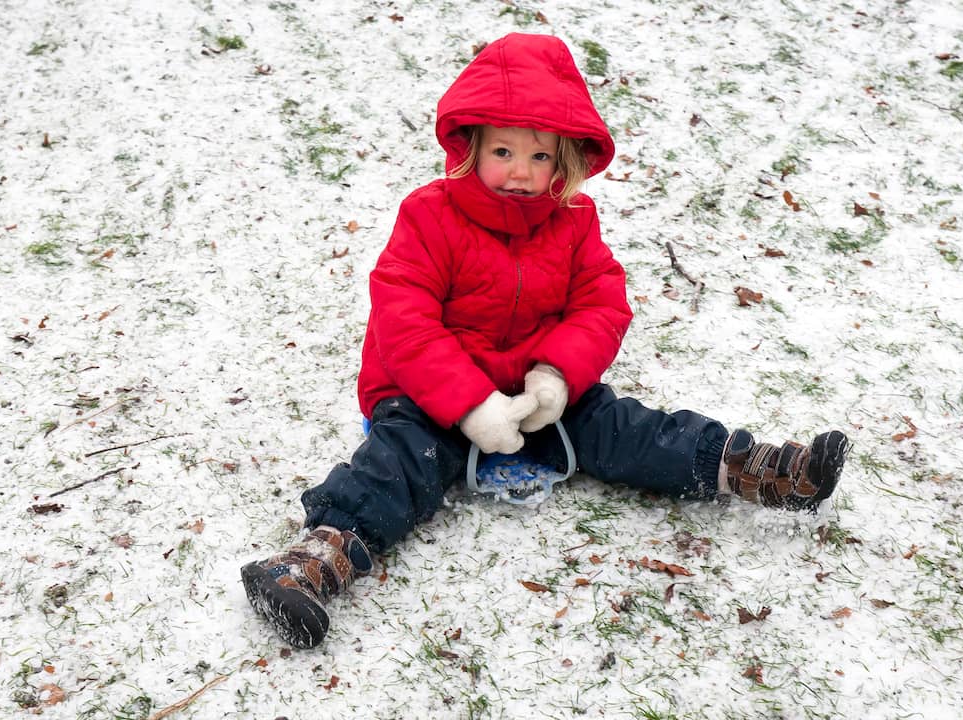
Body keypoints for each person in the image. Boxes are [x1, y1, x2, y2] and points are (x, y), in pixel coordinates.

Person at [240, 33, 849, 649]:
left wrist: (556, 377)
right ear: (470, 147)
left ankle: (753, 468)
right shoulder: (428, 217)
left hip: (536, 392)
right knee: (403, 461)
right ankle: (313, 561)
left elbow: (601, 303)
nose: (520, 172)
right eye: (503, 150)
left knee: (624, 427)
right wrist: (472, 406)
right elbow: (406, 321)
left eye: (540, 157)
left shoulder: (574, 225)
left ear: (565, 165)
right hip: (432, 391)